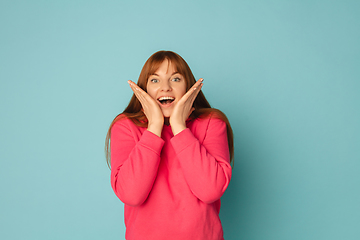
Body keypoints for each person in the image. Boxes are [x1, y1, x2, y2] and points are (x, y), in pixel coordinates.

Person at [105, 51, 234, 240]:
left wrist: (180, 127)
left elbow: (210, 190)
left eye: (175, 79)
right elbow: (131, 195)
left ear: (189, 87)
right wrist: (154, 126)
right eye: (155, 80)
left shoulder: (211, 123)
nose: (165, 88)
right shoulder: (125, 127)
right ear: (144, 89)